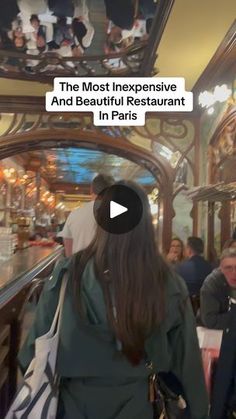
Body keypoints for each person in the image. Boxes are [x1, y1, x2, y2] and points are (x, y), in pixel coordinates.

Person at [18, 181, 208, 419]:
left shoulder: (68, 274)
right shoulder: (168, 282)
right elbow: (187, 364)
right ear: (147, 224)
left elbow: (30, 354)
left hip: (72, 405)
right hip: (138, 403)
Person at [59, 174, 114, 256]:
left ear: (91, 190)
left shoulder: (74, 215)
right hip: (111, 268)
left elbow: (68, 253)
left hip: (79, 267)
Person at [200, 248, 236, 329]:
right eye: (228, 268)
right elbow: (210, 321)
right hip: (216, 332)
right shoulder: (211, 284)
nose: (234, 272)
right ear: (221, 269)